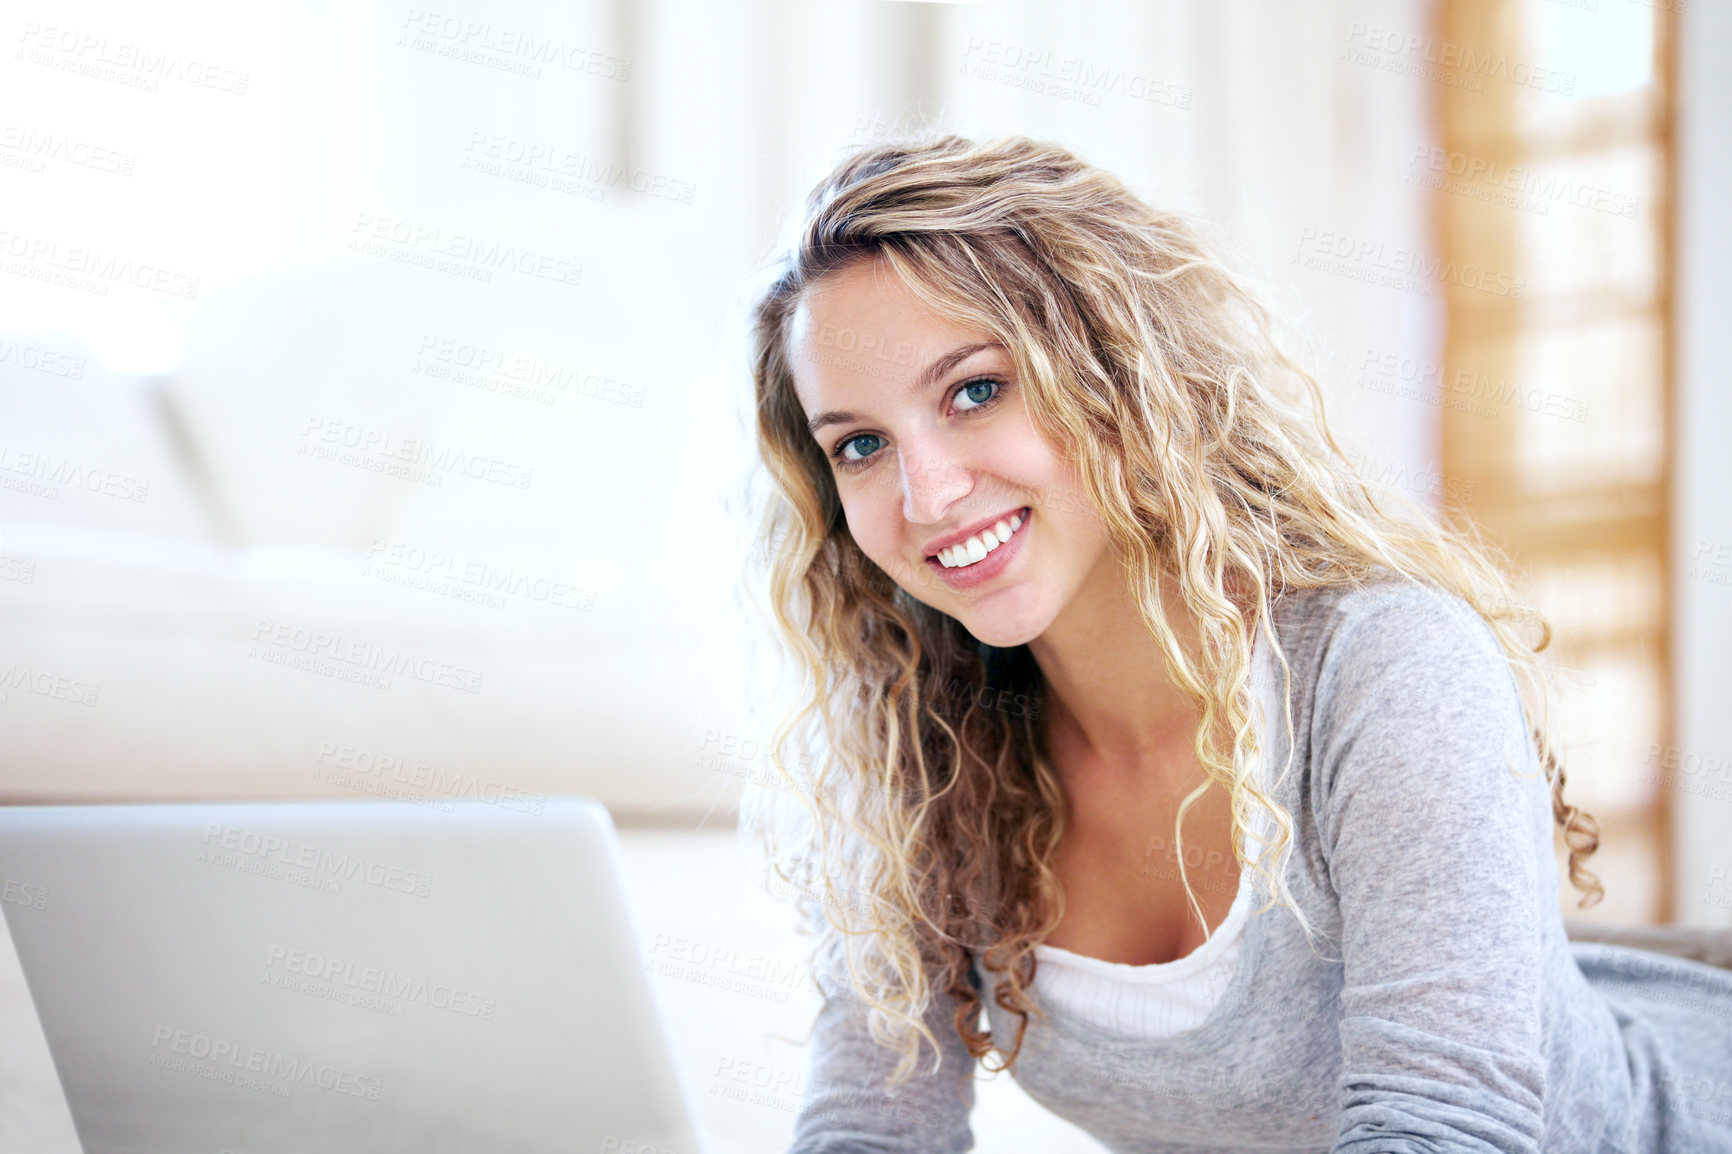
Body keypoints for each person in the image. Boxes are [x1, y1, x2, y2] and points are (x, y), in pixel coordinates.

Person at [737, 134, 1732, 1153]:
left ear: (1117, 370)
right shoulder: (920, 750)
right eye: (859, 444)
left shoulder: (1380, 671)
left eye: (976, 389)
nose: (925, 494)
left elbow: (1442, 1132)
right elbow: (870, 1125)